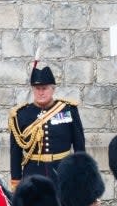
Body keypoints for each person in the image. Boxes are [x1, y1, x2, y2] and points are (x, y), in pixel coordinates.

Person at [9, 58, 85, 188]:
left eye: (44, 88)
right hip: (32, 175)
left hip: (62, 173)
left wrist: (81, 173)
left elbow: (79, 145)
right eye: (37, 88)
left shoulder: (68, 110)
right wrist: (16, 180)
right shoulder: (21, 114)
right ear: (33, 89)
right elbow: (15, 152)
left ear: (53, 89)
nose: (41, 92)